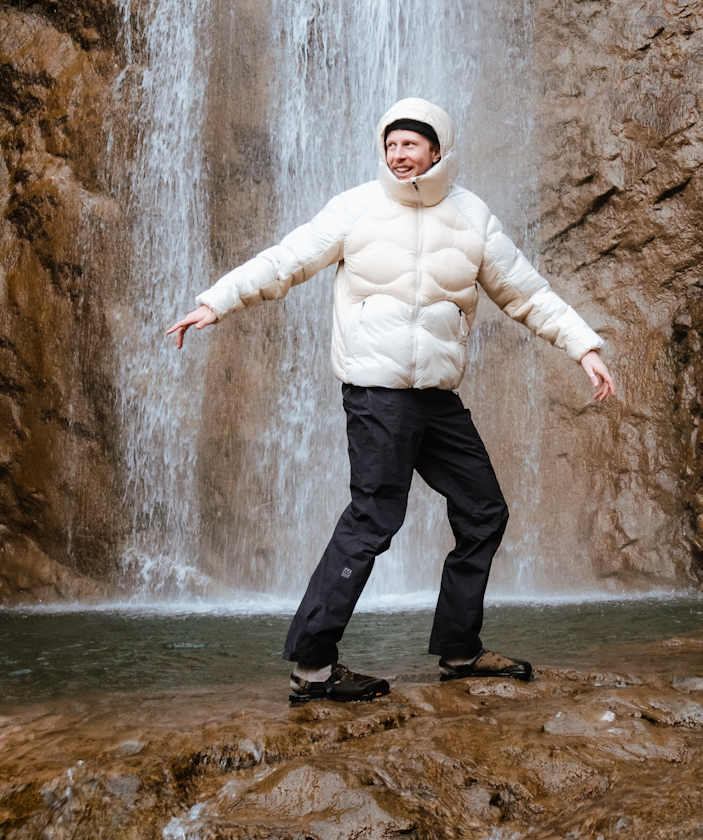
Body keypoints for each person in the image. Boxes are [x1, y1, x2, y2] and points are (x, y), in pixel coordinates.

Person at [167, 97, 616, 705]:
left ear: (437, 150)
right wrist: (217, 301)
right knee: (374, 517)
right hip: (377, 395)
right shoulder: (356, 207)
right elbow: (287, 260)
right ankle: (313, 667)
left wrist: (584, 347)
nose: (399, 155)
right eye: (391, 145)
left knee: (484, 511)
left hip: (436, 397)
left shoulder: (472, 217)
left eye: (411, 144)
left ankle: (460, 650)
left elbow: (527, 294)